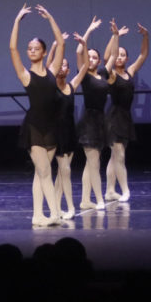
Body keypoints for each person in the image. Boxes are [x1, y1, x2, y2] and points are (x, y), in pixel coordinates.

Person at [9, 4, 64, 226]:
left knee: (40, 174)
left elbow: (60, 43)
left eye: (35, 48)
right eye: (29, 48)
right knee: (44, 172)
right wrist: (16, 21)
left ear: (43, 51)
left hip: (52, 127)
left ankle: (37, 215)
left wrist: (50, 17)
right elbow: (12, 49)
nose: (31, 51)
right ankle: (55, 214)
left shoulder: (52, 71)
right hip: (34, 128)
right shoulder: (25, 75)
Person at [104, 21, 149, 202]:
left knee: (114, 158)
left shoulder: (130, 72)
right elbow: (108, 56)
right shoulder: (112, 75)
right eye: (119, 55)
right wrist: (115, 36)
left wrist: (145, 36)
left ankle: (109, 191)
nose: (120, 57)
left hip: (126, 118)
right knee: (120, 155)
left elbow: (143, 55)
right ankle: (125, 190)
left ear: (127, 59)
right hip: (113, 118)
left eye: (123, 55)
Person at [46, 32, 89, 219]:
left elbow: (86, 66)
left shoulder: (72, 85)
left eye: (65, 65)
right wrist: (55, 46)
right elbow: (48, 66)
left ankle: (56, 208)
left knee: (62, 173)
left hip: (70, 132)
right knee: (65, 171)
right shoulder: (50, 85)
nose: (62, 67)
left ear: (69, 71)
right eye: (60, 64)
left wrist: (84, 45)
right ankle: (70, 207)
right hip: (54, 133)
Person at [76, 17, 117, 210]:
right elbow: (78, 52)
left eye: (94, 58)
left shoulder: (102, 74)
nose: (91, 60)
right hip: (89, 121)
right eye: (88, 57)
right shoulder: (84, 75)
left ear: (99, 61)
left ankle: (85, 200)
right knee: (94, 163)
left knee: (91, 163)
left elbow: (113, 57)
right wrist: (88, 32)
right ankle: (99, 199)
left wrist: (115, 36)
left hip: (101, 120)